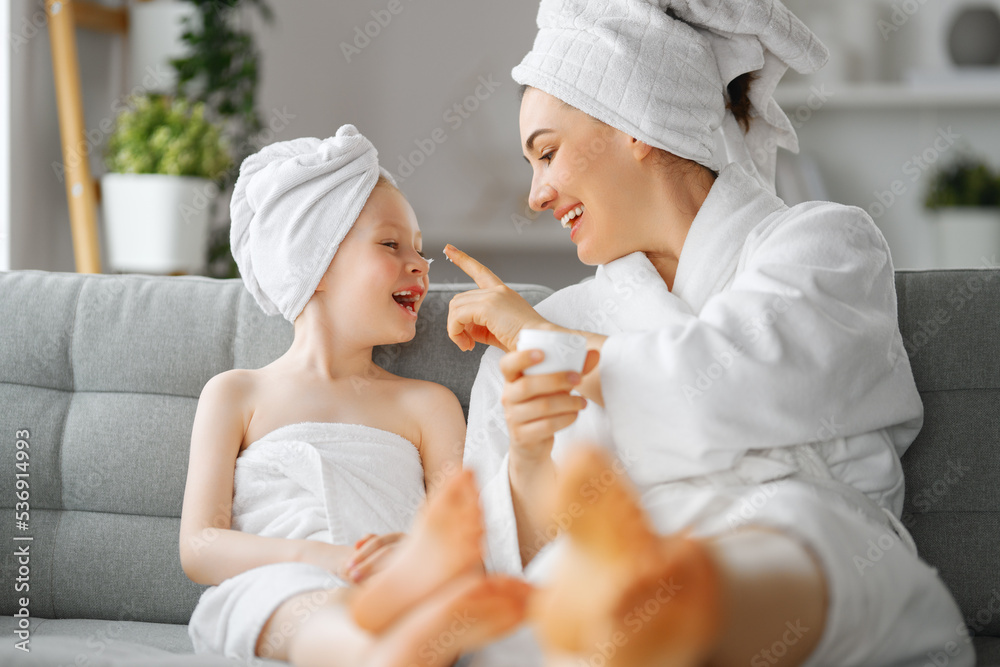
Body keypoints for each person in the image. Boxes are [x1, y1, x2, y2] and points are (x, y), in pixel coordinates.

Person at [445, 1, 974, 665]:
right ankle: (633, 598)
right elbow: (499, 556)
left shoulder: (825, 244)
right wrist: (527, 459)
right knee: (548, 608)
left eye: (547, 153)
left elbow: (730, 380)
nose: (536, 194)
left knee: (771, 544)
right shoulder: (539, 338)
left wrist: (550, 343)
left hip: (809, 545)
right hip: (608, 565)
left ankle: (670, 599)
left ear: (635, 122)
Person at [178, 126, 529, 666]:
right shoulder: (235, 395)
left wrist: (422, 559)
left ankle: (408, 638)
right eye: (391, 244)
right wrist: (330, 561)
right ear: (310, 265)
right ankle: (381, 650)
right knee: (318, 615)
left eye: (419, 249)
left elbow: (455, 535)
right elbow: (200, 547)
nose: (420, 264)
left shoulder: (428, 406)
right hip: (277, 588)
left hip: (403, 590)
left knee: (438, 606)